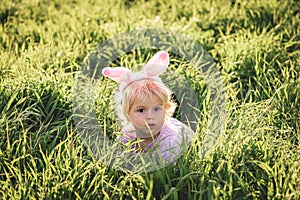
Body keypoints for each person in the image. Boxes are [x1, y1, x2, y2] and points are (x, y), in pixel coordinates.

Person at [102, 50, 194, 164]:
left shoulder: (170, 142)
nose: (150, 116)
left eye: (157, 109)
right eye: (141, 110)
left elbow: (168, 172)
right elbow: (118, 158)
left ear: (165, 109)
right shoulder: (126, 136)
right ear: (127, 114)